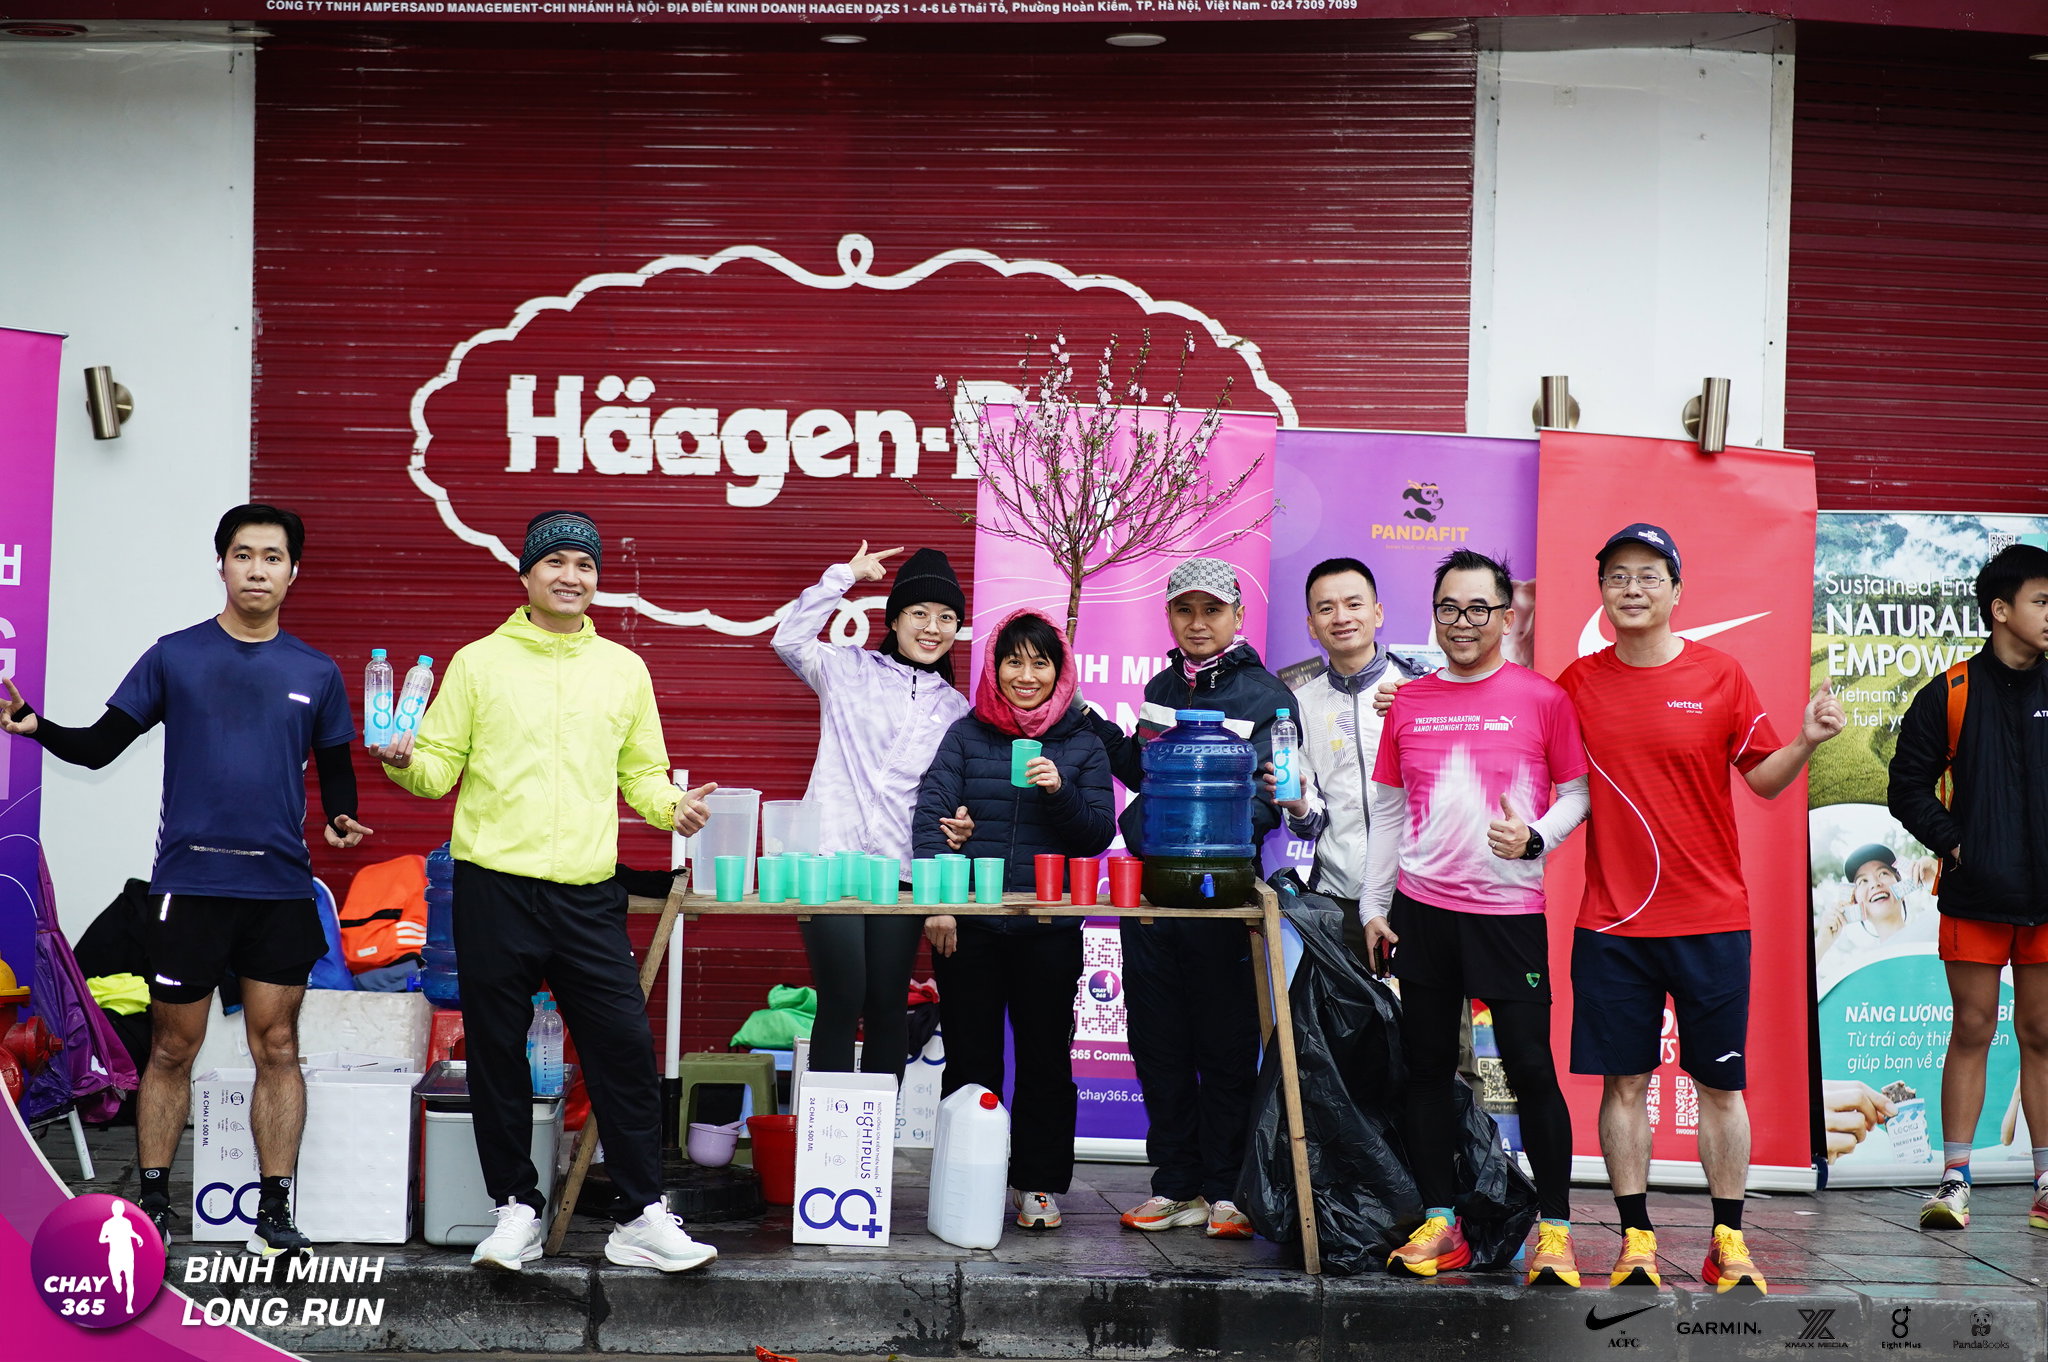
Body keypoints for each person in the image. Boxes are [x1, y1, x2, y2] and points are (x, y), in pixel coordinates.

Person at [0, 504, 369, 1256]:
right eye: (244, 555)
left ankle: (274, 1213)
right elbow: (101, 747)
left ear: (293, 572)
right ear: (222, 565)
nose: (257, 569)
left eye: (272, 557)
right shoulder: (175, 656)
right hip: (189, 888)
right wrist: (38, 726)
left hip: (278, 892)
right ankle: (155, 1203)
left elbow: (337, 773)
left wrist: (340, 819)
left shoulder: (317, 672)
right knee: (172, 1049)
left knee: (278, 1046)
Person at [376, 509, 716, 1274]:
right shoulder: (478, 664)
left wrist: (674, 808)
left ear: (597, 580)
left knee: (623, 1049)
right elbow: (436, 771)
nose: (571, 576)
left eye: (585, 565)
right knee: (497, 1054)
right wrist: (403, 761)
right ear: (526, 573)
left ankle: (640, 1215)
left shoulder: (623, 670)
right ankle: (516, 1211)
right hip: (494, 887)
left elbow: (643, 775)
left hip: (587, 895)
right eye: (555, 561)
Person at [1557, 523, 1844, 1294]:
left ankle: (1728, 1240)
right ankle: (1636, 1239)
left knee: (1721, 1087)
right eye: (1618, 576)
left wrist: (1807, 741)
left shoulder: (1720, 674)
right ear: (1602, 591)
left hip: (1712, 920)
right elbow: (1536, 761)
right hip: (1612, 924)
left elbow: (1764, 778)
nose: (1633, 588)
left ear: (1677, 591)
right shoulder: (1576, 683)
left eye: (1649, 575)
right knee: (1624, 1085)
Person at [1361, 548, 1591, 1285]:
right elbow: (1389, 812)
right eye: (1449, 609)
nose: (1463, 623)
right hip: (1421, 911)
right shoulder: (1409, 700)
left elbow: (1577, 795)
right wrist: (1374, 905)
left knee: (1530, 1068)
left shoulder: (1543, 698)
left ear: (1506, 615)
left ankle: (1555, 1230)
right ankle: (1441, 1223)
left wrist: (1536, 838)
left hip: (1507, 914)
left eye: (1478, 609)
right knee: (1426, 1070)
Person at [1084, 556, 1292, 1241]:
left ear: (1237, 616)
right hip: (1153, 895)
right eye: (1184, 610)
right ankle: (1176, 1185)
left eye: (1212, 610)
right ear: (1170, 616)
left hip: (1220, 897)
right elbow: (1145, 772)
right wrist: (1088, 720)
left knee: (1225, 1046)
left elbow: (1271, 799)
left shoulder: (1267, 697)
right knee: (1159, 1043)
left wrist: (1214, 846)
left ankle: (1226, 1189)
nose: (1197, 623)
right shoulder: (1161, 687)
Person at [913, 610, 1114, 1231]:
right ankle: (965, 1182)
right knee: (971, 1060)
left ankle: (1038, 1185)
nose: (1026, 676)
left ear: (1060, 671)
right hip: (970, 928)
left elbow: (1095, 835)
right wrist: (939, 902)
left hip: (1049, 931)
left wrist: (1059, 790)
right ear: (994, 667)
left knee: (1046, 1060)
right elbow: (931, 816)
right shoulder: (966, 735)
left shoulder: (1082, 742)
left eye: (1040, 663)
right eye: (1013, 661)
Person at [1888, 542, 2048, 1235]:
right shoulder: (1951, 692)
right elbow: (1907, 785)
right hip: (1977, 895)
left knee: (2042, 1033)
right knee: (1974, 1027)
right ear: (2001, 610)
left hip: (2046, 900)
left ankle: (2046, 1184)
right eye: (2042, 601)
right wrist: (1958, 845)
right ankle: (1955, 1180)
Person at [774, 541, 971, 1081]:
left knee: (887, 1001)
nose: (932, 627)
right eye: (919, 613)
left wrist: (962, 823)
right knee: (843, 995)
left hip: (899, 870)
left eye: (946, 617)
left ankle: (875, 1130)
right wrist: (843, 576)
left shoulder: (957, 709)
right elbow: (788, 638)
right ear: (895, 619)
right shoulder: (847, 668)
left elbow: (950, 796)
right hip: (828, 861)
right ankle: (830, 1129)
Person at [1266, 556, 1426, 965]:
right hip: (1339, 901)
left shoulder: (1421, 689)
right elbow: (1309, 825)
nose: (1341, 617)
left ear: (1378, 612)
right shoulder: (1298, 703)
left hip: (1421, 896)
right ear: (1311, 625)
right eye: (1326, 608)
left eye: (1354, 604)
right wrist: (1297, 805)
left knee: (1430, 1008)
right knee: (1341, 1009)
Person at [1815, 843, 1937, 978]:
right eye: (1863, 881)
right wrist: (1822, 942)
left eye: (1883, 873)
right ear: (1855, 902)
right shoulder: (1860, 969)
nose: (1875, 884)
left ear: (1901, 885)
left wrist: (1940, 873)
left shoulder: (1935, 924)